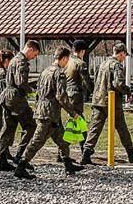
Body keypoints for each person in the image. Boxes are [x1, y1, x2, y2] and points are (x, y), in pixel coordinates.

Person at [14, 46, 84, 180]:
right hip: (49, 114)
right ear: (64, 58)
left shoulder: (45, 71)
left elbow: (38, 92)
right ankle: (21, 166)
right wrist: (72, 112)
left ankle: (68, 165)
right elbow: (61, 96)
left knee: (63, 140)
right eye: (67, 60)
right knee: (37, 141)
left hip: (45, 111)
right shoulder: (59, 73)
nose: (67, 63)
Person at [82, 43, 133, 165]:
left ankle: (86, 152)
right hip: (111, 101)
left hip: (98, 100)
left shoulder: (103, 63)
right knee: (122, 127)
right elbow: (118, 83)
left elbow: (96, 79)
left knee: (95, 128)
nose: (124, 58)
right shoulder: (116, 65)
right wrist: (128, 91)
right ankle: (131, 152)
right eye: (124, 55)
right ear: (121, 53)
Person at [0, 40, 40, 170]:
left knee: (8, 128)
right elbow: (21, 82)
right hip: (16, 99)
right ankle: (20, 156)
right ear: (30, 49)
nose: (34, 57)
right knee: (31, 126)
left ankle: (2, 159)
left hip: (7, 97)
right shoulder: (22, 62)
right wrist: (31, 89)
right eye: (35, 54)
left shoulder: (14, 59)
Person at [63, 40, 93, 150]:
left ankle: (82, 148)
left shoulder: (67, 61)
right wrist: (93, 92)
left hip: (68, 93)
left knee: (78, 122)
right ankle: (80, 149)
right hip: (76, 95)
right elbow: (86, 81)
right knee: (76, 122)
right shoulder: (81, 63)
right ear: (82, 51)